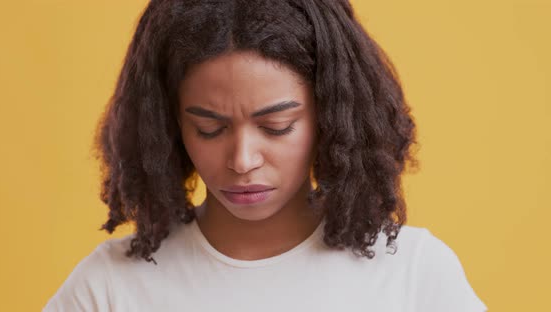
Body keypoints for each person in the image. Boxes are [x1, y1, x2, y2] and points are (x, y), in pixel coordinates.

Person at [44, 0, 487, 311]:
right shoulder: (108, 289)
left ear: (331, 119)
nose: (242, 159)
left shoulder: (413, 275)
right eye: (209, 128)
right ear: (168, 126)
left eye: (276, 127)